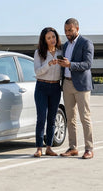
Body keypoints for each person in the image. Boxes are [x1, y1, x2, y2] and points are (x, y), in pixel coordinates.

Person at [57, 18, 94, 159]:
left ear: (77, 29)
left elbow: (87, 64)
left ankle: (89, 148)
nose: (67, 33)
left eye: (70, 30)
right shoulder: (65, 46)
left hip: (82, 86)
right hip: (67, 84)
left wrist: (70, 65)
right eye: (65, 30)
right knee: (70, 118)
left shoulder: (86, 43)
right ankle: (73, 147)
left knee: (85, 118)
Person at [33, 27, 62, 157]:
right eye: (49, 38)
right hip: (42, 87)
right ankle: (39, 147)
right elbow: (37, 72)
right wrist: (49, 64)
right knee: (41, 118)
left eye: (53, 37)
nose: (52, 40)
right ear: (44, 40)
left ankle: (49, 147)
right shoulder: (39, 53)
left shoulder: (61, 52)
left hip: (56, 87)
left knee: (52, 119)